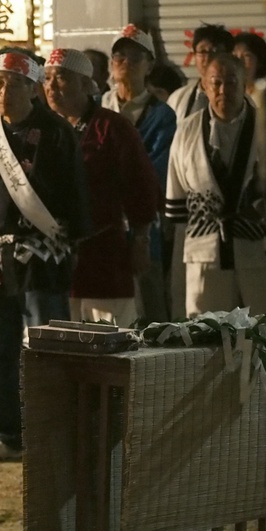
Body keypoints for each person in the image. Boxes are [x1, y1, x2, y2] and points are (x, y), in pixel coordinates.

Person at [0, 48, 92, 462]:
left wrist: (73, 243)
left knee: (47, 348)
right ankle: (7, 434)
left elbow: (76, 194)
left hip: (40, 257)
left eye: (11, 83)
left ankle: (51, 434)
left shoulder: (56, 132)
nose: (0, 90)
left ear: (33, 89)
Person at [44, 48, 160, 326]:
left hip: (104, 253)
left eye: (60, 78)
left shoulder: (112, 127)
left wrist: (141, 239)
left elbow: (140, 186)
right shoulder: (43, 129)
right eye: (46, 78)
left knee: (110, 338)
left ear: (86, 84)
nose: (50, 86)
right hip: (52, 259)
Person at [165, 53, 266, 316]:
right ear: (204, 86)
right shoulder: (186, 131)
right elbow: (177, 203)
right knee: (207, 336)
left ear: (245, 84)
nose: (223, 90)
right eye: (215, 82)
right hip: (204, 252)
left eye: (231, 82)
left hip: (259, 249)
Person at [101, 24, 177, 322]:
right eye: (119, 56)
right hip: (101, 228)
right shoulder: (96, 106)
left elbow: (154, 172)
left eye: (135, 57)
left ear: (149, 66)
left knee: (150, 308)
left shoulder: (161, 114)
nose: (125, 62)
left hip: (143, 227)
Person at [167, 23, 235, 121]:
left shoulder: (241, 98)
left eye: (216, 52)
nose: (208, 58)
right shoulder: (177, 98)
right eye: (202, 52)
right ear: (194, 55)